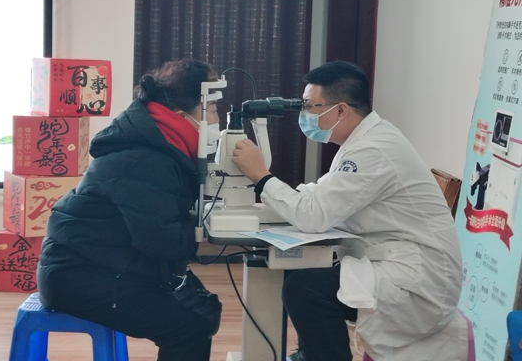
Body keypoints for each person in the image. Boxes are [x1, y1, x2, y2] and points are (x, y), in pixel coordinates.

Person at [231, 61, 468, 361]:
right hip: (391, 259)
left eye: (309, 106)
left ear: (341, 110)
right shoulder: (363, 140)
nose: (305, 114)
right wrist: (274, 202)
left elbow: (314, 215)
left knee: (304, 290)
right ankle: (309, 354)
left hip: (417, 282)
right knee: (294, 266)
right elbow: (322, 192)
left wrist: (261, 177)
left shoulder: (373, 149)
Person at [37, 59, 223, 361]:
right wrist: (198, 230)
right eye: (212, 109)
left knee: (204, 310)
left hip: (102, 263)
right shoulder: (146, 159)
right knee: (190, 324)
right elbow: (161, 241)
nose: (217, 118)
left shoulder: (155, 145)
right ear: (181, 116)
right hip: (79, 276)